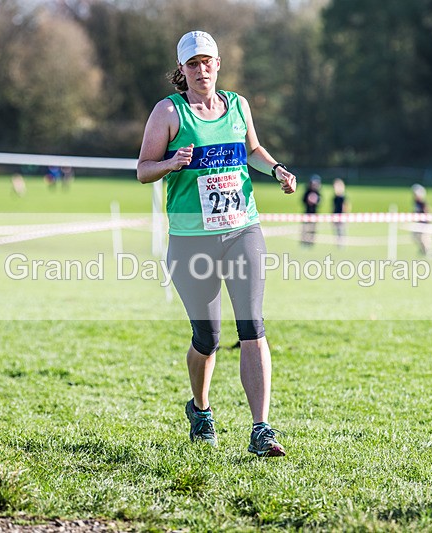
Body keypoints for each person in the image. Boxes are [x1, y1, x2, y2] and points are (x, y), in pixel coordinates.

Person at [136, 30, 297, 457]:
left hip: (243, 229)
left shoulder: (238, 106)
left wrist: (277, 169)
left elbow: (254, 150)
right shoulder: (168, 112)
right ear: (182, 70)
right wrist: (171, 163)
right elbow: (143, 169)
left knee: (252, 327)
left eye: (207, 62)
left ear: (218, 64)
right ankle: (201, 408)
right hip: (192, 241)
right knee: (207, 337)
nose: (201, 69)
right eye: (193, 64)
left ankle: (261, 429)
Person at [412, 184, 432, 255]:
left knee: (425, 238)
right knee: (415, 236)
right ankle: (422, 250)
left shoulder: (422, 203)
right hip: (418, 223)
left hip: (424, 224)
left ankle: (429, 252)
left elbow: (428, 210)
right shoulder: (416, 202)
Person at [301, 175, 321, 246]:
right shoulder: (307, 192)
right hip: (307, 212)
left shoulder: (318, 193)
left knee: (313, 228)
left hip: (314, 213)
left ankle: (311, 242)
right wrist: (308, 200)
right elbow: (302, 200)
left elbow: (319, 201)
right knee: (305, 228)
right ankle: (304, 241)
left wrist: (315, 201)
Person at [331, 178, 349, 247]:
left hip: (341, 216)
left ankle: (342, 243)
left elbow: (346, 206)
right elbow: (333, 207)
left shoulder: (342, 197)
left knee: (341, 230)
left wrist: (344, 214)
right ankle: (338, 243)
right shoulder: (335, 197)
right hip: (336, 215)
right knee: (337, 230)